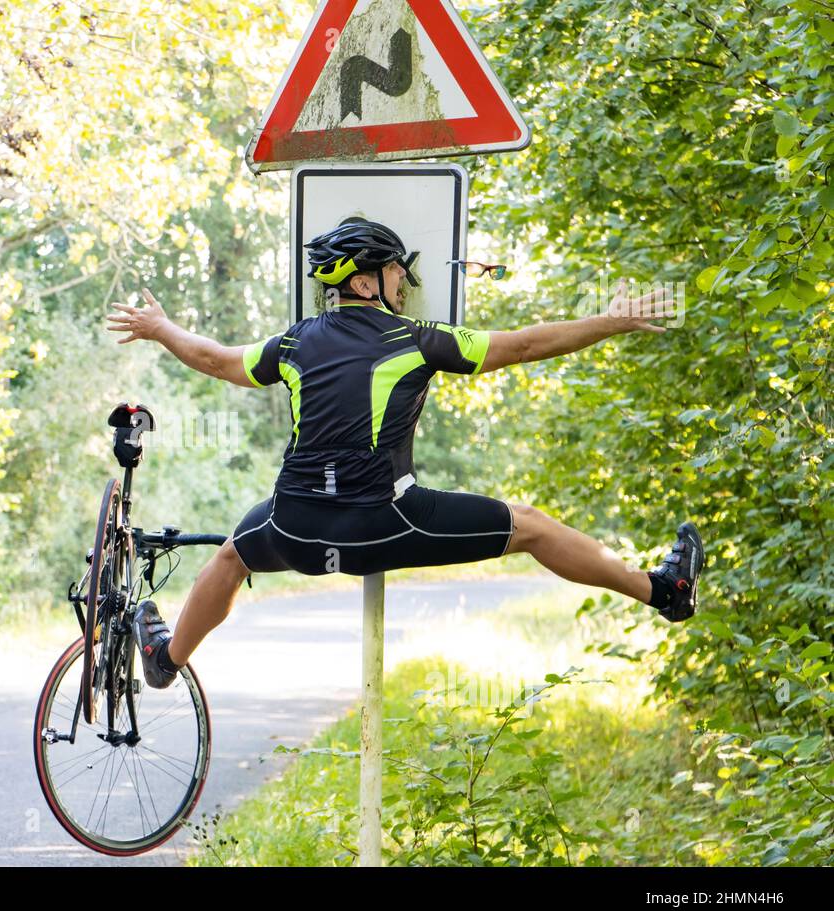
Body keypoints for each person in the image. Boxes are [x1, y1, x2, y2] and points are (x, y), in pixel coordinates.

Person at [105, 218, 704, 690]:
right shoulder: (419, 340)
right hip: (386, 524)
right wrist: (611, 320)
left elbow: (213, 359)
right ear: (365, 282)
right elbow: (522, 346)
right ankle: (664, 592)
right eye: (395, 273)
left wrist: (160, 328)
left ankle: (165, 660)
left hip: (294, 527)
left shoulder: (291, 342)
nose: (403, 283)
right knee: (532, 529)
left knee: (233, 556)